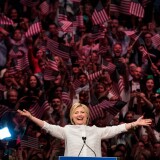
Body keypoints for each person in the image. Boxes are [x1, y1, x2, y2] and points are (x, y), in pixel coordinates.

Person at [17, 102, 152, 157]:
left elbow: (117, 129)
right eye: (76, 112)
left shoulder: (96, 130)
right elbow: (48, 126)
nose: (80, 115)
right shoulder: (67, 130)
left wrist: (134, 123)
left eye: (82, 112)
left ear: (87, 116)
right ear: (72, 116)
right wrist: (31, 117)